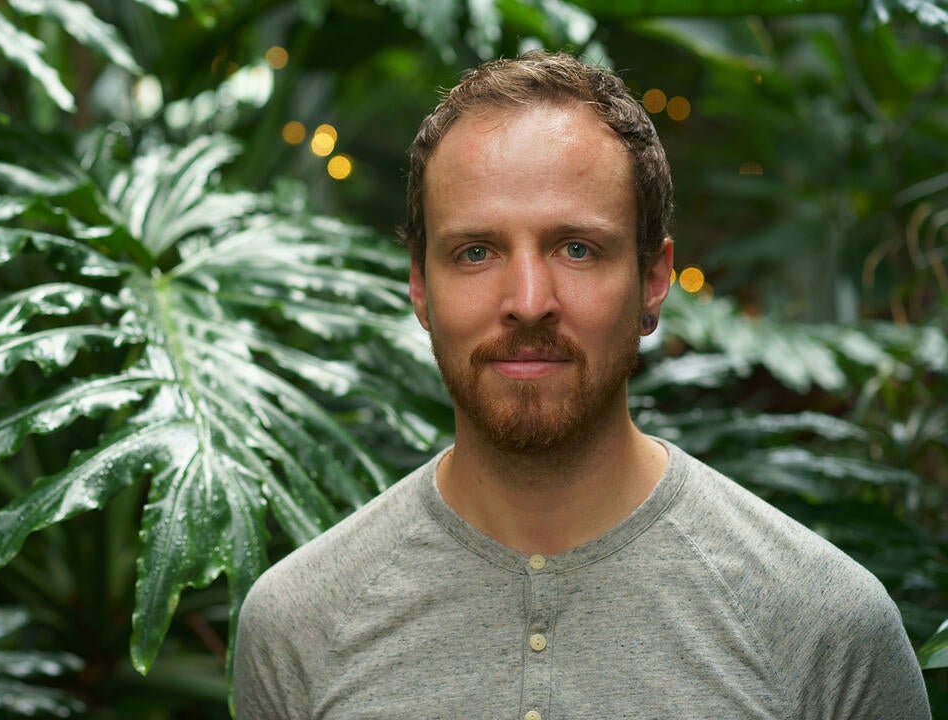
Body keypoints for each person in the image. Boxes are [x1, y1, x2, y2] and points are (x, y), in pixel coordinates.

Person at [232, 51, 930, 719]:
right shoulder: (299, 625)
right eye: (476, 252)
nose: (529, 300)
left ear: (653, 280)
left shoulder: (821, 626)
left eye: (577, 248)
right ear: (420, 285)